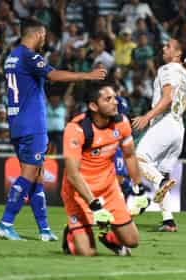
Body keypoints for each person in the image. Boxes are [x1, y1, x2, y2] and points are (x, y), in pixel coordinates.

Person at [0, 19, 106, 241]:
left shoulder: (11, 57)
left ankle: (44, 229)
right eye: (43, 35)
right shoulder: (28, 56)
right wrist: (87, 75)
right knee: (29, 174)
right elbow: (53, 75)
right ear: (36, 34)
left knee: (38, 175)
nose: (45, 40)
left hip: (17, 122)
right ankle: (5, 223)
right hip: (31, 123)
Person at [61, 84, 143, 256]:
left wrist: (139, 188)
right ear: (93, 106)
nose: (115, 102)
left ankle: (109, 237)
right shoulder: (76, 129)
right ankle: (71, 233)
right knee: (86, 253)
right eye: (108, 99)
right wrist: (95, 206)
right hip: (80, 193)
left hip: (108, 189)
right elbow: (73, 175)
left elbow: (129, 155)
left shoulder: (122, 123)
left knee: (132, 241)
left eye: (114, 97)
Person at [132, 38, 186, 232]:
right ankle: (168, 220)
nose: (163, 48)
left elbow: (168, 98)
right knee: (159, 172)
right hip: (179, 129)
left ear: (177, 54)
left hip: (164, 123)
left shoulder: (167, 69)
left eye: (168, 46)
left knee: (139, 160)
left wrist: (147, 117)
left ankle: (159, 183)